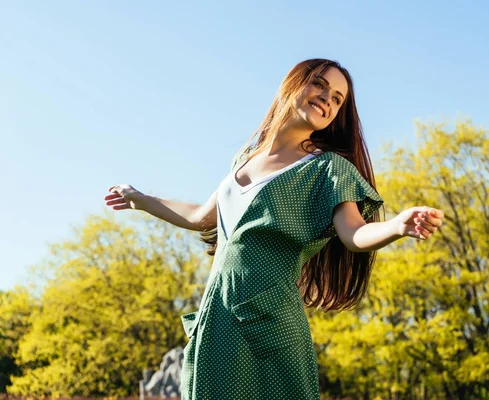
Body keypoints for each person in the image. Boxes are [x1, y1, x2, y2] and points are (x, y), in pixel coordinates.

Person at [105, 58, 444, 400]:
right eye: (320, 85)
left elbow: (354, 234)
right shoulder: (245, 159)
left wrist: (397, 226)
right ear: (293, 84)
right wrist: (141, 200)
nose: (328, 98)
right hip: (217, 318)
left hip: (270, 324)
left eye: (338, 98)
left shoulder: (328, 168)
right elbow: (202, 216)